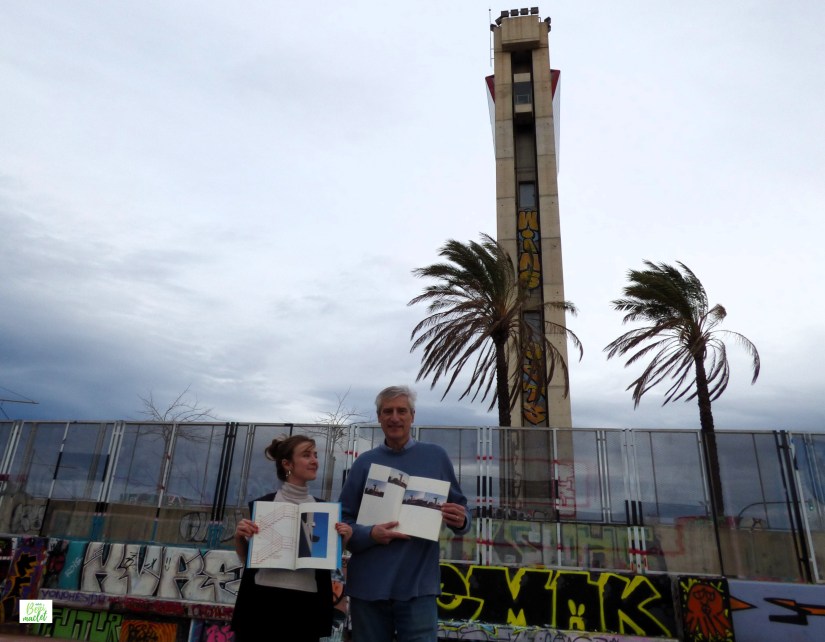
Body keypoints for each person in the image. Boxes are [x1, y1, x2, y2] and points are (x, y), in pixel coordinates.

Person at [339, 385, 471, 642]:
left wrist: (461, 520)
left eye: (401, 411)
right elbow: (342, 521)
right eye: (387, 411)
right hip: (368, 588)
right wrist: (371, 534)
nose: (394, 417)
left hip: (418, 587)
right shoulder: (364, 463)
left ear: (413, 416)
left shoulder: (436, 457)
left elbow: (462, 509)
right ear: (379, 417)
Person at [230, 434, 351, 642]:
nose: (314, 460)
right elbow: (246, 559)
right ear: (287, 464)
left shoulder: (323, 510)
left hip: (306, 606)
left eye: (315, 455)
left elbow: (326, 564)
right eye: (306, 455)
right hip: (261, 602)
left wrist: (343, 540)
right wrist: (239, 537)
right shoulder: (263, 505)